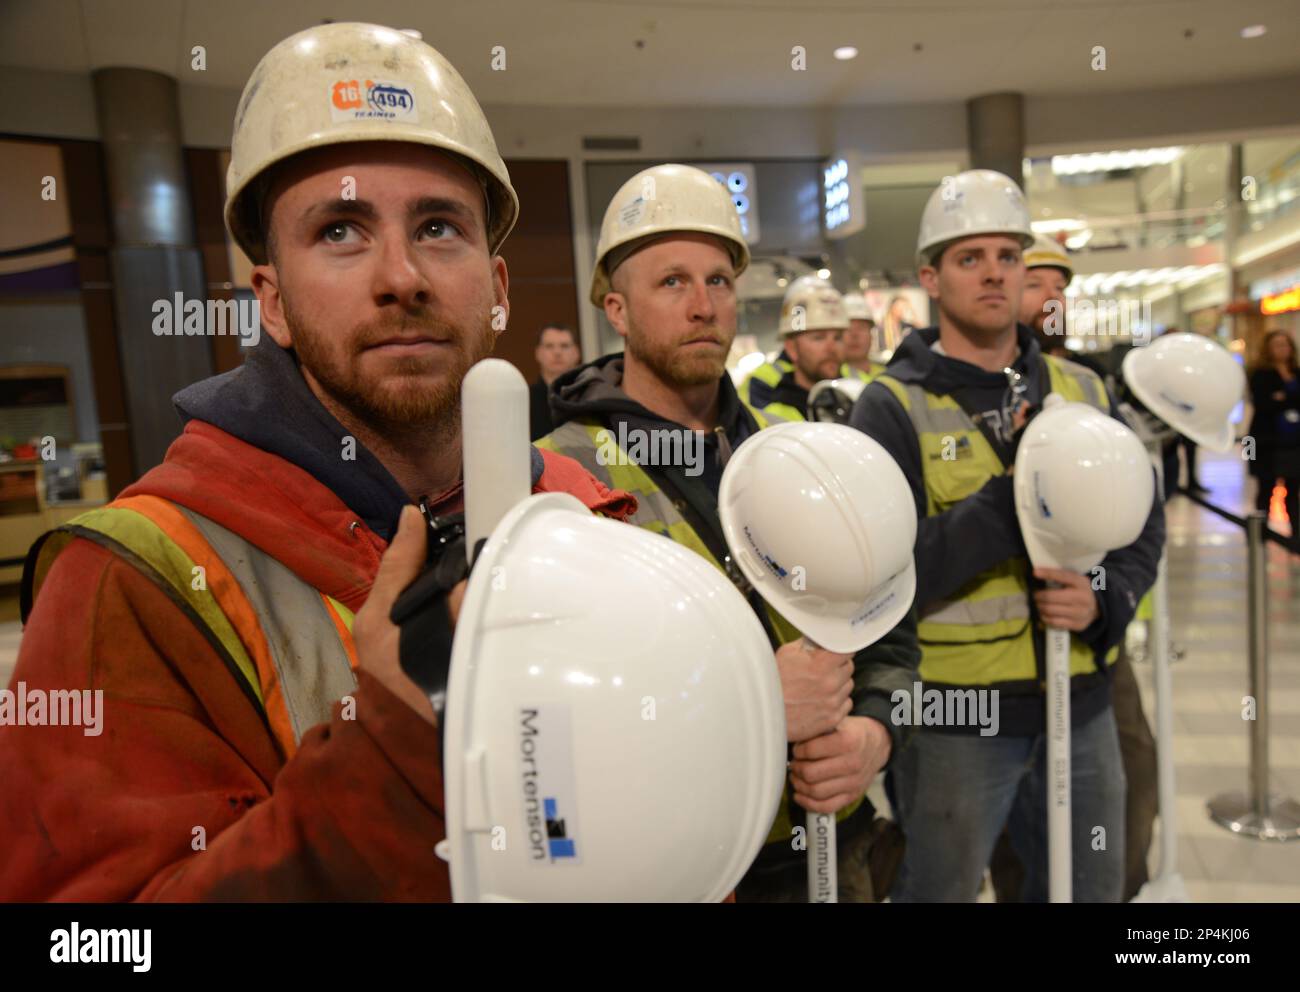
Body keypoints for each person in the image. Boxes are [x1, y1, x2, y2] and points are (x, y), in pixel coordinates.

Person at [0, 22, 636, 902]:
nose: (401, 275)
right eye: (341, 230)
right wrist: (389, 756)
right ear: (275, 302)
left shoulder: (582, 509)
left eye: (439, 226)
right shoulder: (134, 579)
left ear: (495, 289)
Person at [538, 163, 920, 902]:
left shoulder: (795, 444)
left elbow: (892, 634)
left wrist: (875, 731)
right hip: (687, 864)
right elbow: (550, 727)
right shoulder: (557, 477)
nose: (704, 305)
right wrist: (744, 703)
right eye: (672, 282)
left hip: (832, 846)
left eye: (718, 280)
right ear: (616, 309)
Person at [849, 169, 1165, 903]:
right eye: (969, 258)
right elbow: (887, 576)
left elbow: (1141, 522)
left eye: (1007, 255)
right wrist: (1011, 496)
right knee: (939, 890)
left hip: (1081, 699)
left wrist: (1105, 598)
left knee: (1093, 887)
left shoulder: (1083, 391)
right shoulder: (891, 407)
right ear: (931, 276)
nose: (993, 272)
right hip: (959, 719)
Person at [741, 275, 849, 422]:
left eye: (838, 338)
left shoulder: (855, 403)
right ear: (792, 348)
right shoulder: (771, 419)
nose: (831, 348)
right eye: (818, 338)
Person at [1247, 328, 1300, 542]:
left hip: (1293, 441)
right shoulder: (1260, 374)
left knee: (1293, 489)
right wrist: (1285, 398)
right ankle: (1259, 535)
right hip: (1264, 441)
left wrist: (1281, 397)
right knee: (1265, 488)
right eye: (1278, 345)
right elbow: (1263, 403)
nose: (1283, 349)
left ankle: (1296, 534)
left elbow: (1282, 400)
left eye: (1286, 344)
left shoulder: (1296, 371)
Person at [529, 323, 581, 440]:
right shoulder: (525, 400)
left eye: (564, 346)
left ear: (576, 353)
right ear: (538, 353)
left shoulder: (589, 397)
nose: (557, 352)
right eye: (549, 346)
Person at [841, 292, 886, 380]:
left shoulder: (887, 375)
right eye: (848, 328)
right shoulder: (830, 377)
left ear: (871, 335)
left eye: (861, 328)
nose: (854, 334)